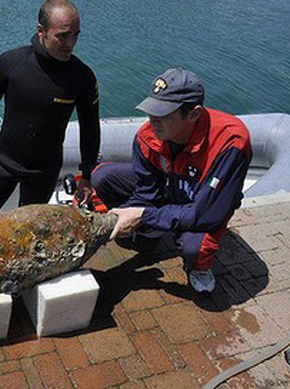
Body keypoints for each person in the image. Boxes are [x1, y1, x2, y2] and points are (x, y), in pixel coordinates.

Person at [91, 68, 252, 293]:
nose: (152, 120)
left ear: (194, 114)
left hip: (206, 203)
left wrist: (142, 215)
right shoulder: (147, 137)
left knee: (194, 246)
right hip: (172, 188)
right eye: (151, 110)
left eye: (163, 114)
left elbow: (205, 214)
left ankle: (199, 267)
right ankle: (153, 229)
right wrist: (123, 216)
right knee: (103, 177)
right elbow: (146, 192)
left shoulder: (231, 142)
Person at [0, 0, 100, 226]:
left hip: (44, 172)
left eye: (76, 34)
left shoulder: (82, 77)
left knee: (29, 234)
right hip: (4, 162)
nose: (70, 43)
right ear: (41, 31)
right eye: (62, 35)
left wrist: (86, 176)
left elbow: (90, 128)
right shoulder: (10, 63)